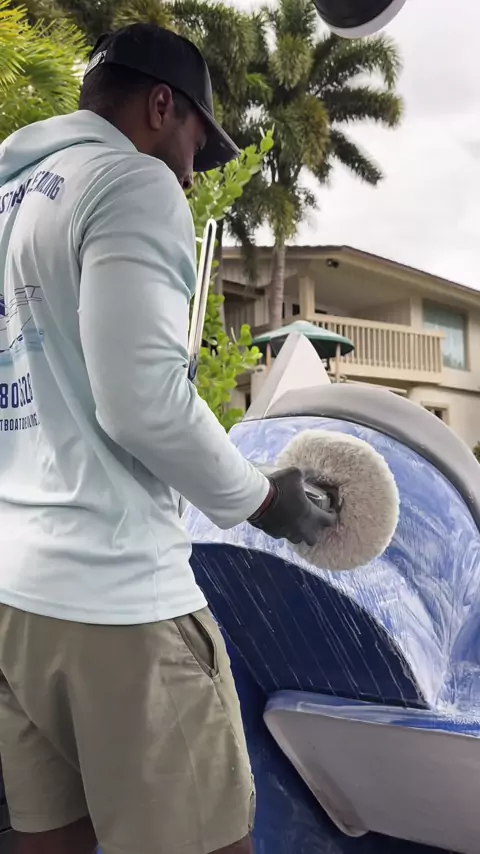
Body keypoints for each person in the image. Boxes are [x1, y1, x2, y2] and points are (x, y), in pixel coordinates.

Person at [0, 24, 329, 854]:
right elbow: (144, 402)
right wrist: (265, 500)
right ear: (159, 106)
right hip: (116, 601)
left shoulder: (12, 196)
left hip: (14, 598)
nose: (190, 175)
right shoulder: (132, 183)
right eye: (196, 146)